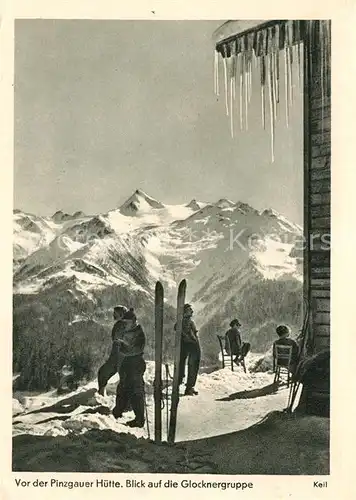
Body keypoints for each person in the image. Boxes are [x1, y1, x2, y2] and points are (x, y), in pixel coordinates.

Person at [112, 307, 146, 428]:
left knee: (136, 391)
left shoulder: (138, 332)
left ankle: (140, 419)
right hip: (127, 362)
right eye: (124, 323)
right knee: (123, 387)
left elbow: (139, 349)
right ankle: (118, 411)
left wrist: (126, 350)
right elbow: (120, 347)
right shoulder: (126, 331)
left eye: (127, 322)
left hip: (136, 363)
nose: (125, 325)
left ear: (133, 321)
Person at [97, 305, 128, 396]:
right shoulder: (121, 324)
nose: (113, 315)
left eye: (115, 313)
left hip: (121, 355)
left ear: (121, 314)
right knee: (103, 372)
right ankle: (101, 395)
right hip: (116, 355)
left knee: (123, 379)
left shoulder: (124, 325)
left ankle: (127, 403)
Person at [177, 304, 201, 396]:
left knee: (185, 364)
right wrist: (192, 339)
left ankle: (184, 384)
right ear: (185, 312)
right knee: (194, 365)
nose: (192, 311)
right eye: (189, 310)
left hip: (188, 344)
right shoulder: (186, 321)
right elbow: (186, 332)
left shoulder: (186, 321)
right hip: (192, 345)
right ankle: (189, 387)